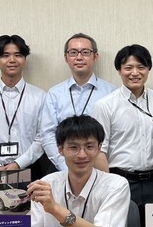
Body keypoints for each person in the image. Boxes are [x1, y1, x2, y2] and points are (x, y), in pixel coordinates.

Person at [28, 115, 130, 227]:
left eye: (89, 147)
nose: (82, 155)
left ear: (99, 148)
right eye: (73, 147)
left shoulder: (116, 185)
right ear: (60, 149)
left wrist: (55, 208)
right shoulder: (46, 185)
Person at [92, 45, 153, 227]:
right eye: (128, 68)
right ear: (119, 70)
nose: (135, 73)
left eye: (141, 67)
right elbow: (99, 151)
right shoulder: (105, 105)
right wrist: (108, 186)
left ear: (148, 69)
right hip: (122, 180)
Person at [0, 35, 52, 179]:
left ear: (25, 59)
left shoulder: (41, 97)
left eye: (18, 55)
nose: (12, 60)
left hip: (30, 168)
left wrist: (19, 163)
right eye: (5, 55)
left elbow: (42, 136)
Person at [39, 33, 116, 172]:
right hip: (62, 167)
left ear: (95, 57)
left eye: (85, 52)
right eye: (73, 52)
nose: (79, 57)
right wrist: (65, 166)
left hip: (99, 167)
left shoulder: (111, 92)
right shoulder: (54, 94)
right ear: (66, 58)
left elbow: (114, 134)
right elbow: (47, 134)